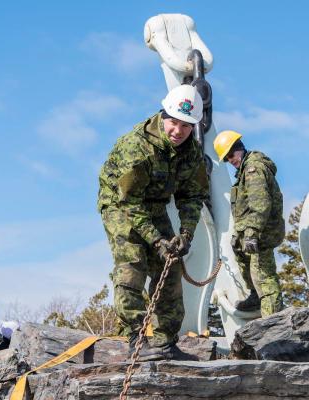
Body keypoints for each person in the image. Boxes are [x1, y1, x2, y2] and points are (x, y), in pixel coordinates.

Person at [97, 84, 209, 361]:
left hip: (156, 204)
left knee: (170, 267)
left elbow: (192, 195)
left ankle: (164, 343)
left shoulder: (190, 152)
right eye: (174, 122)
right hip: (120, 203)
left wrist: (185, 234)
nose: (178, 131)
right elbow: (130, 202)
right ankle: (135, 339)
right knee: (132, 264)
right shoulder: (136, 146)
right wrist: (156, 240)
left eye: (186, 125)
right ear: (163, 115)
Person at [213, 130, 285, 317]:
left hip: (262, 232)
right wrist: (241, 234)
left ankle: (273, 319)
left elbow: (260, 204)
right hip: (252, 230)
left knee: (263, 275)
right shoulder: (244, 171)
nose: (231, 160)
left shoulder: (253, 169)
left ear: (239, 148)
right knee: (243, 258)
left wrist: (251, 232)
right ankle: (255, 297)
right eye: (227, 158)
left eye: (231, 155)